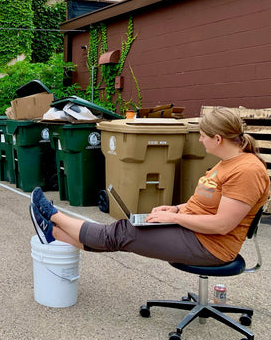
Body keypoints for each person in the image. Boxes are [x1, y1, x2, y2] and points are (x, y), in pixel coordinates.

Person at [30, 107, 269, 266]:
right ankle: (53, 233)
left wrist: (175, 219)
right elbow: (205, 201)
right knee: (126, 232)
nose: (199, 139)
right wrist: (174, 209)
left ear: (218, 139)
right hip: (194, 231)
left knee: (125, 232)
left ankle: (54, 217)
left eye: (203, 136)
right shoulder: (227, 163)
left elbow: (222, 224)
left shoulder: (247, 171)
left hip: (210, 246)